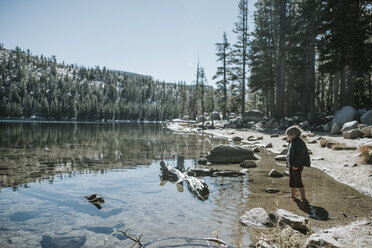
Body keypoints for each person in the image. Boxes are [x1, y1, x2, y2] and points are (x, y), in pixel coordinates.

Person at [286, 125, 310, 202]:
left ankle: (303, 198)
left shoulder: (299, 142)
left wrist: (296, 165)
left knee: (298, 181)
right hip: (291, 164)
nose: (287, 136)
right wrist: (289, 164)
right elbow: (290, 153)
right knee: (292, 181)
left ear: (293, 134)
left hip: (297, 165)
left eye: (288, 135)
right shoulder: (292, 141)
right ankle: (292, 196)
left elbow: (301, 155)